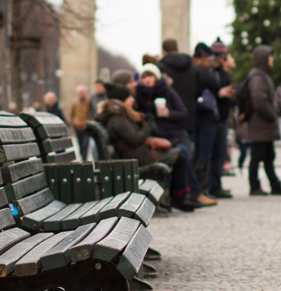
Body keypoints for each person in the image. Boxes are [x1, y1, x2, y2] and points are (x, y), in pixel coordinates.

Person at [96, 82, 193, 211]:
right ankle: (178, 197)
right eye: (128, 97)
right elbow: (135, 139)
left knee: (181, 152)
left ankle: (175, 196)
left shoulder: (119, 116)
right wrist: (149, 125)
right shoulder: (118, 119)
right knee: (181, 155)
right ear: (122, 101)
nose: (132, 99)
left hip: (137, 153)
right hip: (137, 156)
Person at [133, 62, 215, 207]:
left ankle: (191, 194)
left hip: (174, 133)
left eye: (150, 76)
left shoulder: (167, 91)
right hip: (158, 137)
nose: (147, 80)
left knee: (185, 155)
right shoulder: (138, 96)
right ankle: (184, 195)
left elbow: (183, 114)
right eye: (144, 77)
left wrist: (168, 113)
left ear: (156, 77)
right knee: (180, 155)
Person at [244, 44, 281, 195]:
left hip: (263, 126)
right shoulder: (257, 77)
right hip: (260, 125)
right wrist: (272, 114)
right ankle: (255, 186)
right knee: (257, 157)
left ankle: (274, 185)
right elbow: (259, 101)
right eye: (270, 56)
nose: (272, 59)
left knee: (268, 157)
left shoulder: (261, 76)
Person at [206, 38, 237, 199]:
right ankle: (211, 186)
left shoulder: (221, 72)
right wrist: (221, 93)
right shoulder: (212, 72)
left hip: (222, 116)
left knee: (219, 153)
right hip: (215, 117)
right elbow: (212, 91)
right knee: (214, 153)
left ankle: (216, 186)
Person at [68, 85, 92, 159]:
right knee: (80, 143)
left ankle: (84, 158)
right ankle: (82, 157)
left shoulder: (89, 101)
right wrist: (72, 123)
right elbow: (71, 113)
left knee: (85, 144)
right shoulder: (74, 102)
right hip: (77, 126)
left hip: (86, 126)